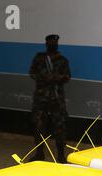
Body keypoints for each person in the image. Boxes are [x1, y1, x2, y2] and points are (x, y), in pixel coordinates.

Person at [29, 34, 71, 163]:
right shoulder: (39, 58)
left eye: (55, 43)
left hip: (56, 99)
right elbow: (32, 73)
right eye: (51, 43)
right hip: (41, 99)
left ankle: (61, 156)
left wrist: (55, 78)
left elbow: (67, 77)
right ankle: (39, 153)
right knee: (39, 126)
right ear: (46, 44)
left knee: (60, 128)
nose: (53, 45)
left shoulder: (62, 60)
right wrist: (44, 78)